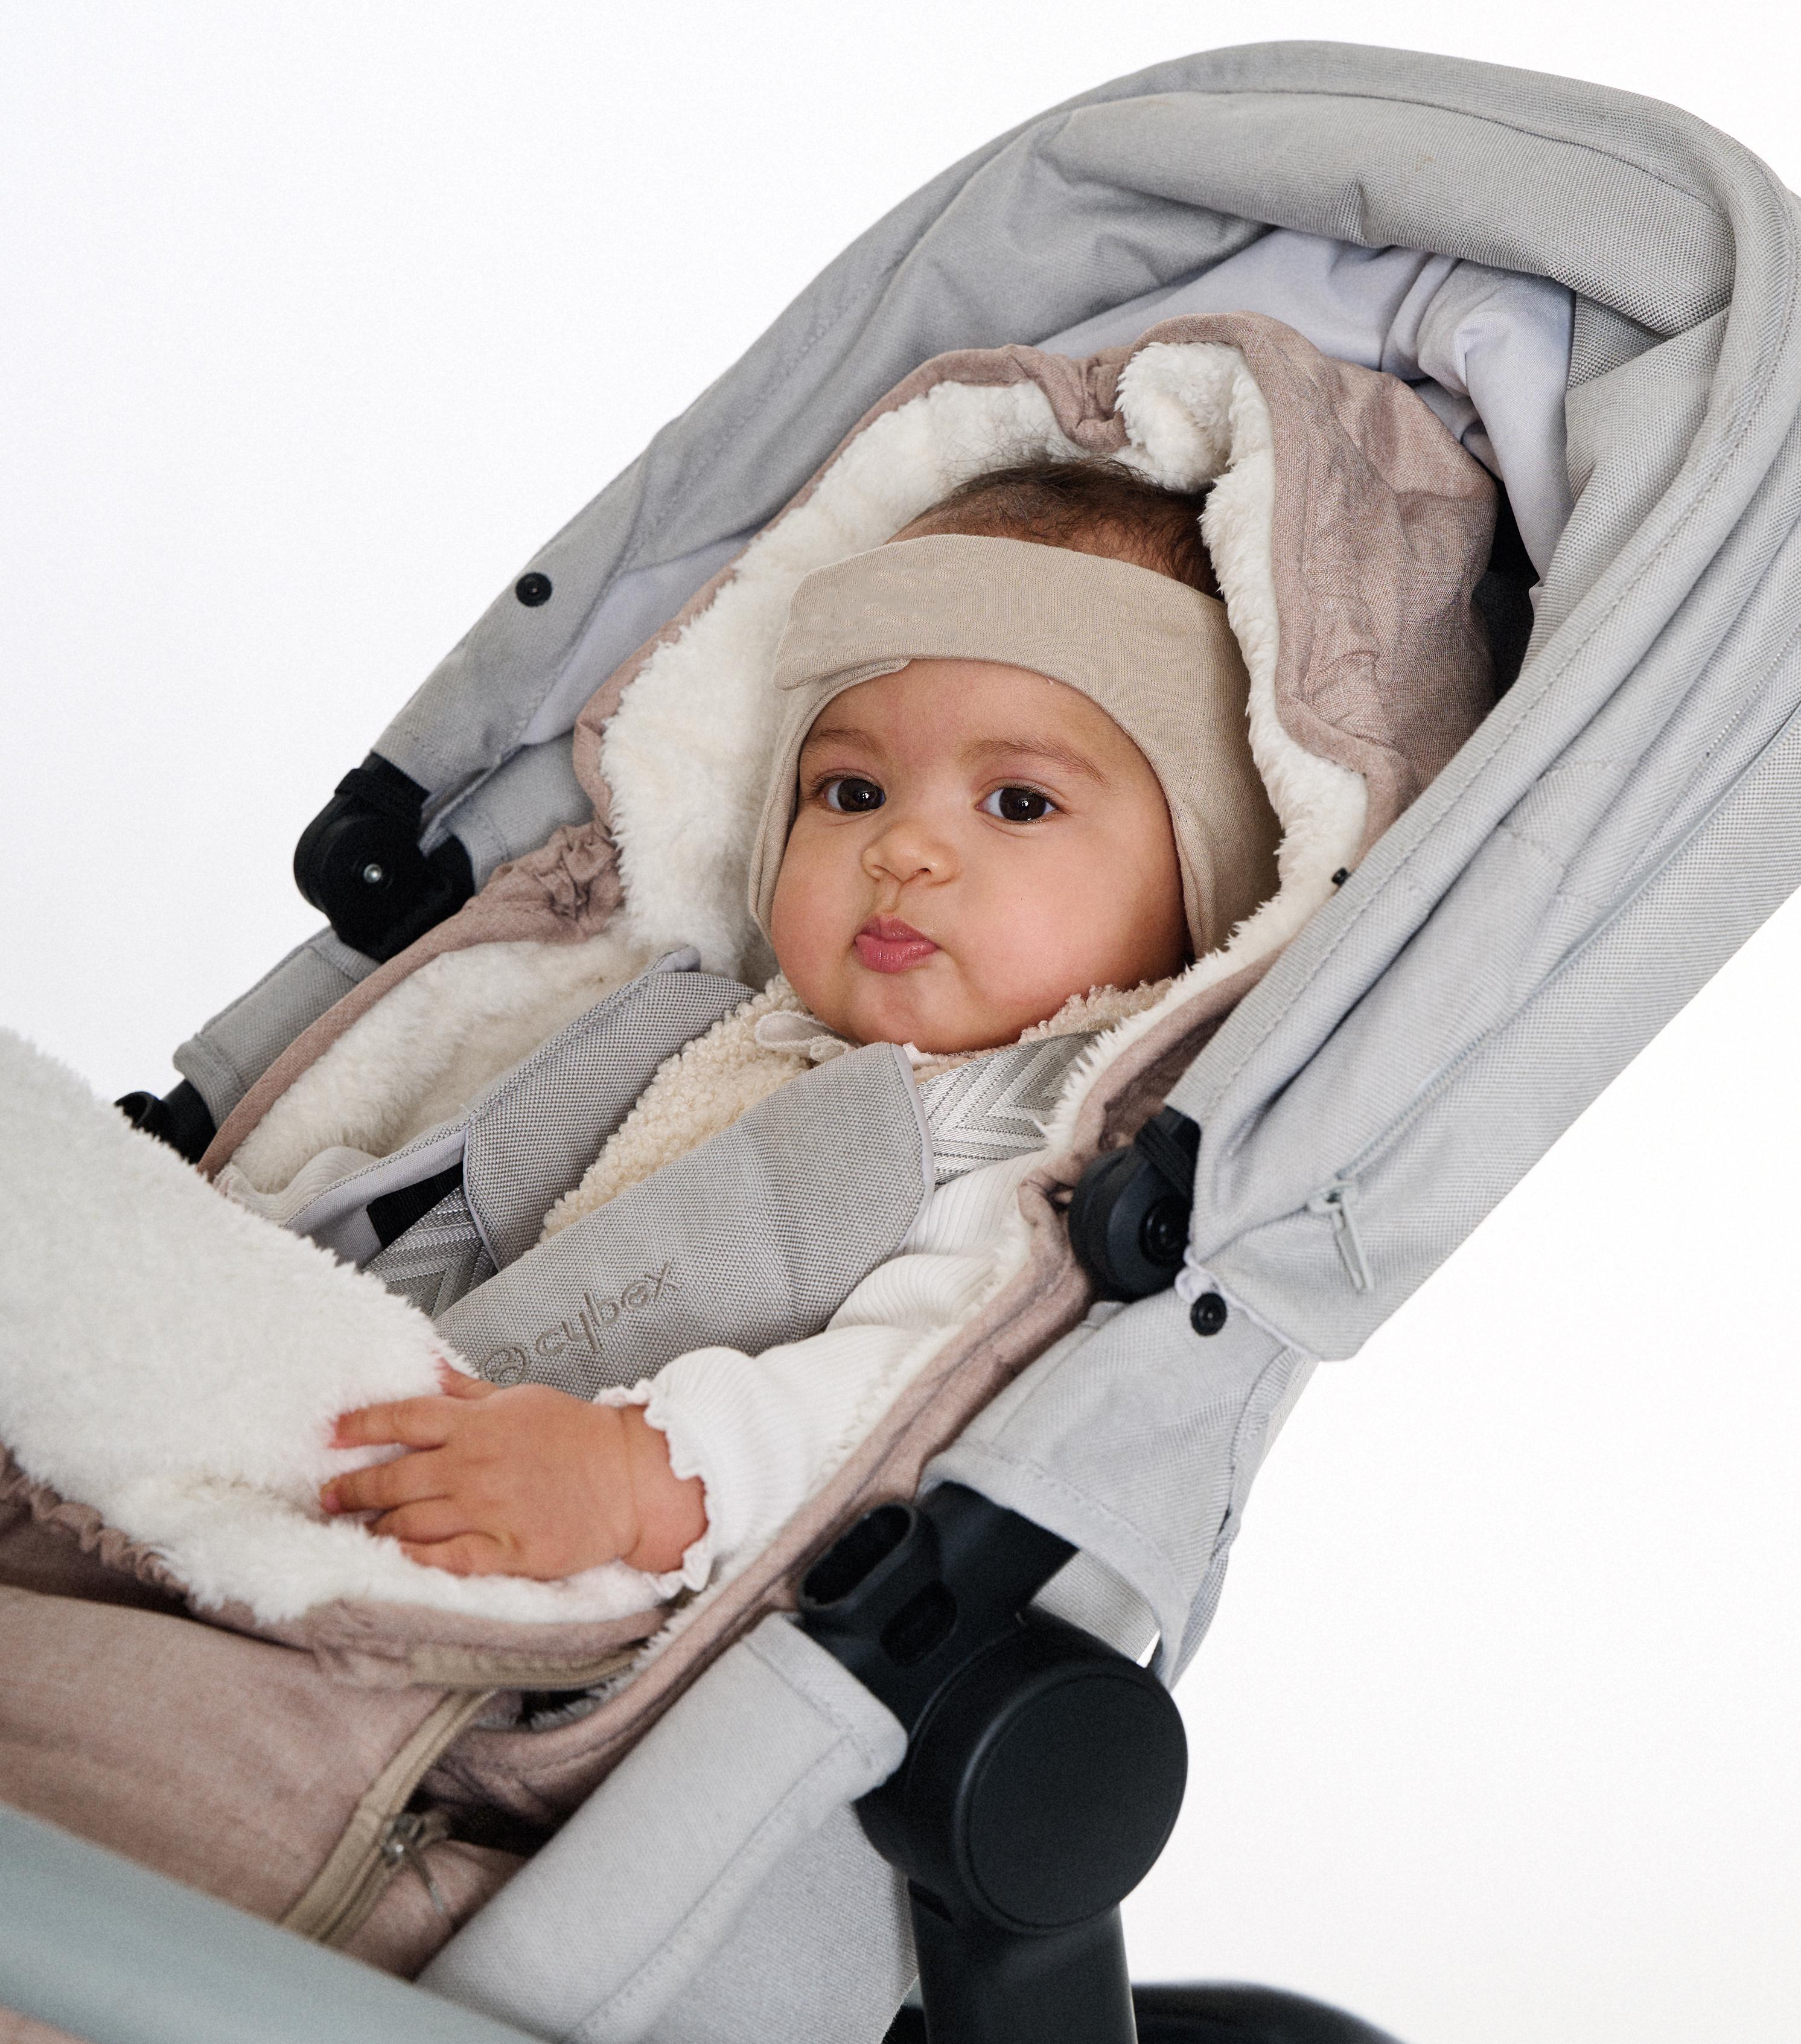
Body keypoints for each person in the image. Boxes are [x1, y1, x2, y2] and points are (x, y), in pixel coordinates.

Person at [317, 464, 1281, 1596]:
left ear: (1200, 880)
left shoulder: (1041, 1159)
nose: (901, 849)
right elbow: (450, 1188)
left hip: (599, 1575)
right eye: (852, 792)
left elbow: (913, 1387)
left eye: (1018, 803)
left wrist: (642, 1474)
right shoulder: (705, 1041)